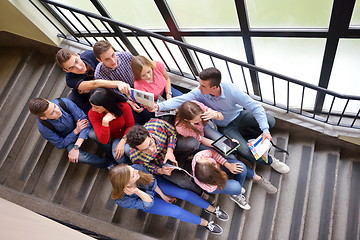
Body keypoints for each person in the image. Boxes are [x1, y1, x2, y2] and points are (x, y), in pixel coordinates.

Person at [154, 67, 290, 174]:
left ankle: (252, 137)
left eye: (203, 86)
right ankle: (271, 161)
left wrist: (265, 130)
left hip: (240, 116)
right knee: (245, 152)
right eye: (199, 84)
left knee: (270, 121)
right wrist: (159, 106)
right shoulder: (199, 93)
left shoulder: (231, 90)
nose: (198, 88)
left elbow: (255, 107)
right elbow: (181, 100)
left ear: (214, 87)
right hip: (225, 127)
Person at [109, 164, 227, 234]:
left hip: (154, 187)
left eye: (132, 169)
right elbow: (148, 204)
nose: (135, 170)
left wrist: (163, 195)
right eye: (133, 174)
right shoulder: (121, 200)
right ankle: (205, 223)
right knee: (177, 212)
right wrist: (137, 191)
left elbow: (152, 180)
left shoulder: (136, 168)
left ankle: (212, 209)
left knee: (185, 194)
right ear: (127, 183)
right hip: (146, 201)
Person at [125, 119, 204, 197]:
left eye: (150, 143)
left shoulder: (158, 125)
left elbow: (172, 133)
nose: (152, 150)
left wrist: (170, 150)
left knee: (192, 143)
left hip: (172, 147)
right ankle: (201, 193)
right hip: (162, 163)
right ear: (137, 149)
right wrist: (160, 170)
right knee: (181, 181)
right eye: (145, 150)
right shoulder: (135, 157)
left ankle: (185, 157)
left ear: (150, 135)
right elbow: (147, 167)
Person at [28, 97, 112, 168]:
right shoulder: (43, 127)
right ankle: (109, 164)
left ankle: (112, 153)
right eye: (52, 112)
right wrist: (75, 131)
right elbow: (60, 143)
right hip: (69, 139)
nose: (57, 110)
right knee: (79, 157)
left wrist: (78, 143)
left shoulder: (64, 102)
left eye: (54, 106)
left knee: (94, 134)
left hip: (82, 128)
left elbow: (85, 120)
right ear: (44, 118)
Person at [192, 149, 277, 211]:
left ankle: (241, 186)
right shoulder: (208, 185)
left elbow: (213, 154)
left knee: (241, 167)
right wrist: (221, 173)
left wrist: (227, 164)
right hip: (216, 180)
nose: (206, 158)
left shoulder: (200, 157)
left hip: (218, 170)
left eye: (206, 159)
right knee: (236, 187)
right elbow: (219, 184)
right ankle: (235, 194)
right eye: (208, 161)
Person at [93, 40, 150, 124]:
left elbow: (140, 70)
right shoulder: (99, 74)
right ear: (99, 60)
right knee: (140, 115)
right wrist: (128, 101)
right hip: (124, 98)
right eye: (107, 59)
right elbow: (113, 92)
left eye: (113, 55)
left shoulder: (126, 56)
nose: (113, 61)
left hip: (141, 87)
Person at [55, 48, 130, 113]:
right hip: (91, 93)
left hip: (107, 78)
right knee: (73, 100)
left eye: (77, 61)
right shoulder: (70, 80)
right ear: (66, 70)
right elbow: (95, 84)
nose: (79, 67)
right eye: (72, 68)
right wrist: (118, 83)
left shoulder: (91, 54)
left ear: (77, 55)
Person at [88, 88, 135, 164]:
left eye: (96, 107)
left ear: (106, 105)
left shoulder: (123, 106)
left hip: (129, 132)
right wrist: (105, 123)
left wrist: (123, 141)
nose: (93, 109)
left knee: (127, 149)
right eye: (92, 106)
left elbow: (131, 125)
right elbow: (103, 140)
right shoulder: (92, 114)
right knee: (118, 156)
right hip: (115, 137)